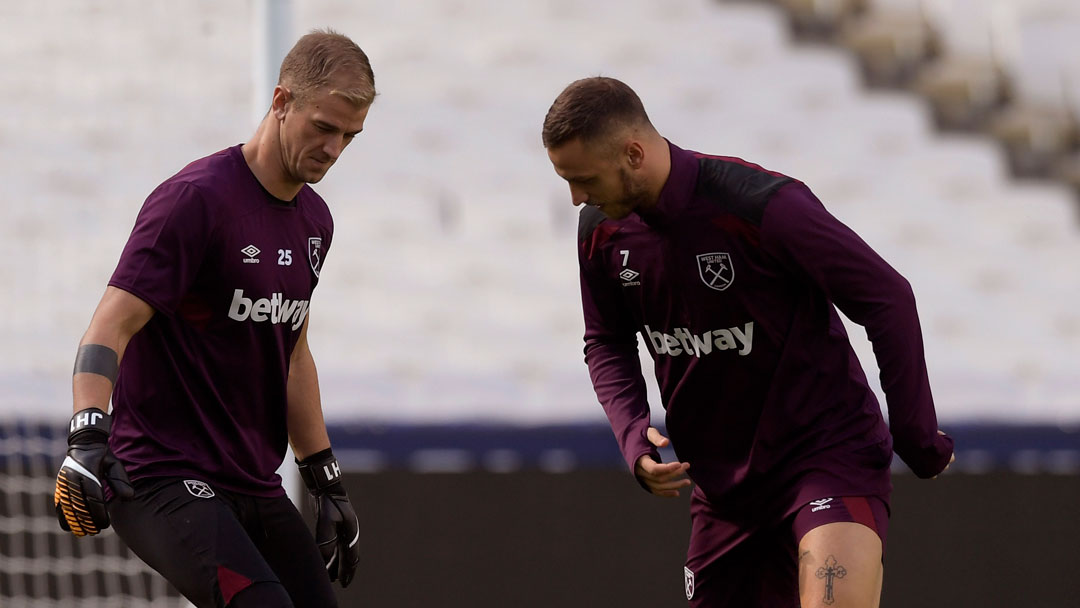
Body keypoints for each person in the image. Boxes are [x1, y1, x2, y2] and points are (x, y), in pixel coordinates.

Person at [543, 77, 955, 607]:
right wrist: (632, 434)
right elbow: (605, 340)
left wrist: (917, 437)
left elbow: (887, 297)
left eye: (584, 179)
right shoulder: (600, 233)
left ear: (633, 153)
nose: (577, 198)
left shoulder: (761, 206)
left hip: (825, 456)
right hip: (724, 490)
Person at [52, 29, 375, 608]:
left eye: (350, 136)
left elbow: (293, 350)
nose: (334, 149)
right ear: (280, 103)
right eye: (323, 128)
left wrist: (326, 478)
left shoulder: (316, 222)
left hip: (252, 479)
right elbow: (109, 325)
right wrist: (85, 435)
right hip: (158, 476)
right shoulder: (195, 200)